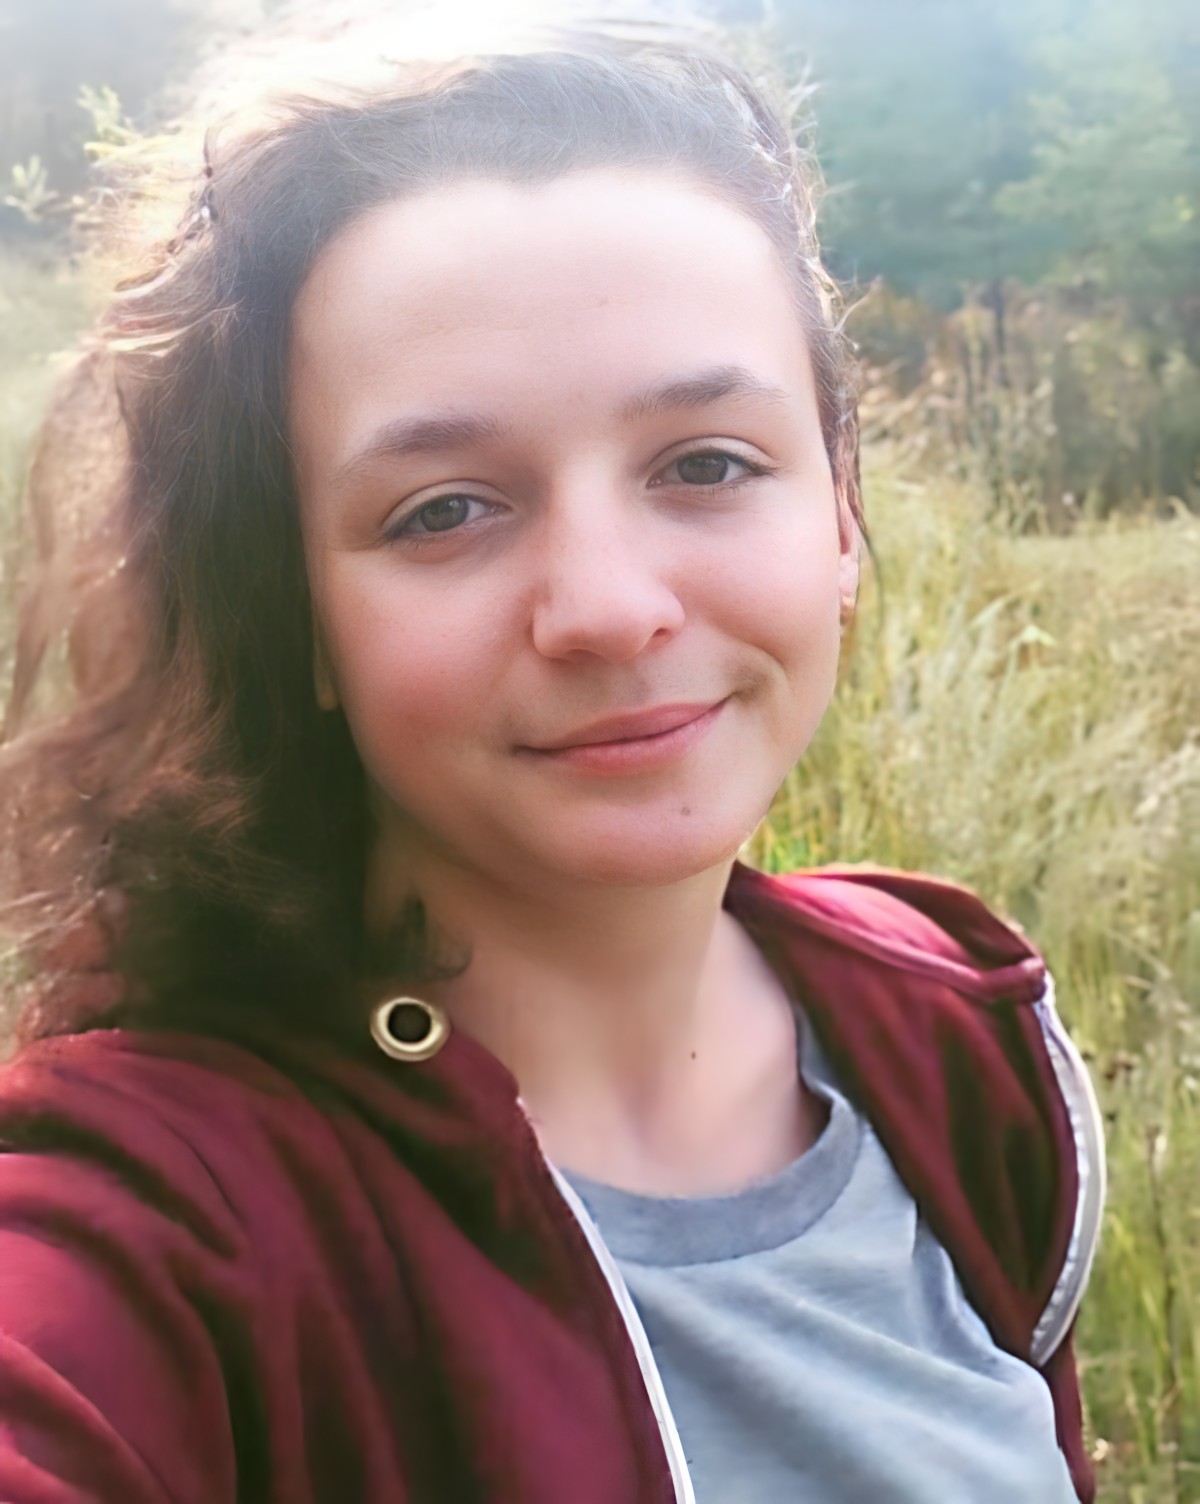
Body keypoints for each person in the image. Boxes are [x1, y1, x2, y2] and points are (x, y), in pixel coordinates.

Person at [0, 30, 1104, 1504]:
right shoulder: (164, 1226)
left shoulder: (960, 1045)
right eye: (444, 510)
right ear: (297, 613)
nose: (607, 607)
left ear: (838, 512)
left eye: (706, 463)